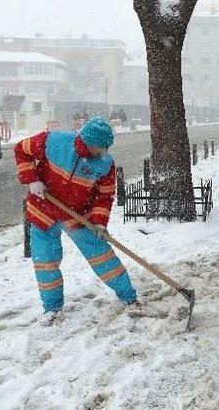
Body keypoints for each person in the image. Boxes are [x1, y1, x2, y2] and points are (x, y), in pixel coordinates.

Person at [14, 117, 137, 313]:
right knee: (45, 262)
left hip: (78, 217)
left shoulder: (105, 164)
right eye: (100, 148)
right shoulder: (54, 141)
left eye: (106, 148)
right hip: (43, 210)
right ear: (88, 142)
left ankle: (128, 296)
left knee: (102, 256)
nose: (103, 152)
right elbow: (21, 149)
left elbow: (104, 196)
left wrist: (99, 222)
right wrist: (32, 180)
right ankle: (52, 309)